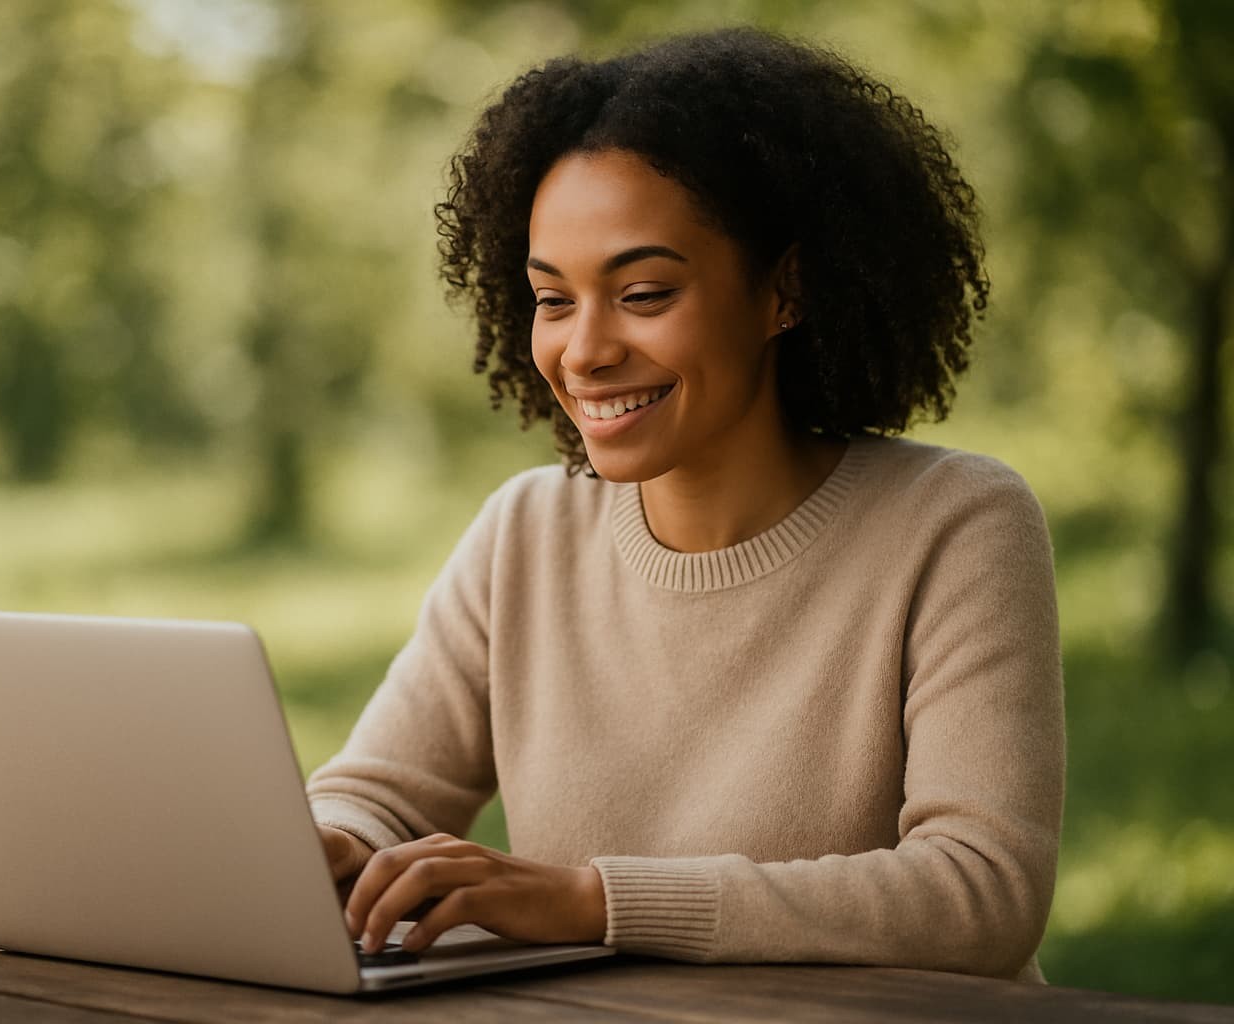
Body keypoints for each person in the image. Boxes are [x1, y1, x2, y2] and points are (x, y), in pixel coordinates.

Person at [305, 27, 1064, 982]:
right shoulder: (527, 532)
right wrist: (328, 844)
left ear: (783, 290)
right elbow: (376, 795)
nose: (583, 352)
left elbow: (980, 896)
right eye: (552, 299)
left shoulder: (956, 523)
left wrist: (594, 902)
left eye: (645, 292)